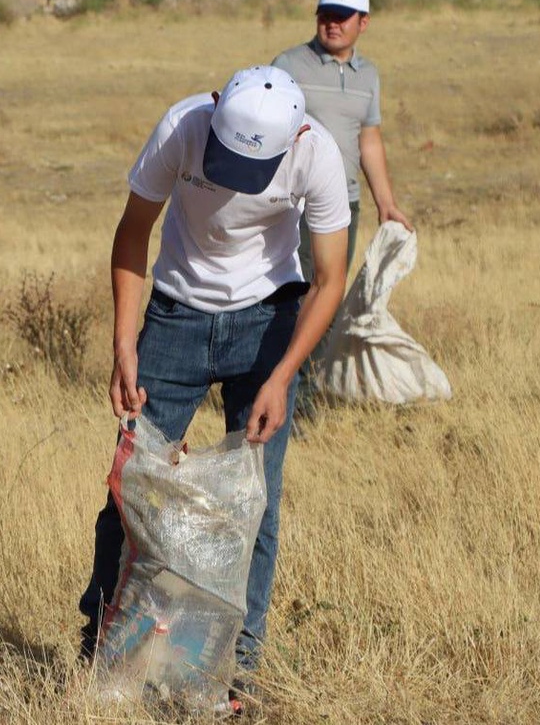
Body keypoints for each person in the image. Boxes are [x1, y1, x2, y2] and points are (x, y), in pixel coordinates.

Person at [77, 66, 350, 714]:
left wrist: (282, 378)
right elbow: (132, 232)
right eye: (226, 159)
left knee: (255, 504)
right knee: (134, 487)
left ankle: (237, 672)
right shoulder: (182, 126)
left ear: (297, 135)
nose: (233, 177)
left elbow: (330, 278)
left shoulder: (317, 151)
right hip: (174, 316)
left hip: (267, 318)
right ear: (213, 111)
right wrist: (125, 346)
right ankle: (103, 651)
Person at [272, 0, 414, 417]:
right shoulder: (289, 64)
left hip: (344, 205)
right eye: (325, 14)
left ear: (363, 23)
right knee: (292, 298)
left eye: (342, 16)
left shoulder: (368, 75)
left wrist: (385, 202)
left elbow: (368, 140)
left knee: (326, 297)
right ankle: (277, 391)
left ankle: (306, 394)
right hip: (294, 202)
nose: (331, 24)